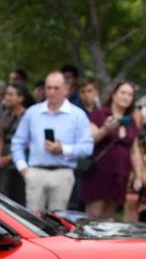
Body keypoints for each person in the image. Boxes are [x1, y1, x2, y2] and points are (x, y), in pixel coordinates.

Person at [11, 71, 93, 211]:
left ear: (65, 90)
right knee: (33, 221)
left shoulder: (77, 115)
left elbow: (87, 147)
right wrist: (23, 168)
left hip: (63, 172)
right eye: (48, 88)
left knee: (58, 220)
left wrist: (63, 149)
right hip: (35, 171)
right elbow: (18, 142)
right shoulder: (32, 112)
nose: (51, 92)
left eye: (56, 88)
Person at [80, 81, 143, 217]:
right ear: (114, 95)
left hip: (119, 175)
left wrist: (138, 176)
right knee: (94, 216)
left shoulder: (130, 120)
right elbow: (91, 139)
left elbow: (134, 151)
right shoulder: (100, 114)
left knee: (109, 219)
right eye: (122, 93)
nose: (126, 97)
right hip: (98, 173)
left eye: (130, 94)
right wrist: (105, 129)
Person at [0, 82, 26, 203]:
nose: (7, 97)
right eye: (7, 94)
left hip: (18, 160)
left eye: (11, 94)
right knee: (1, 192)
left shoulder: (26, 115)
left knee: (17, 195)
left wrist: (8, 158)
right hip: (3, 158)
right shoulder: (6, 114)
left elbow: (27, 143)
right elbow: (1, 137)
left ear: (20, 98)